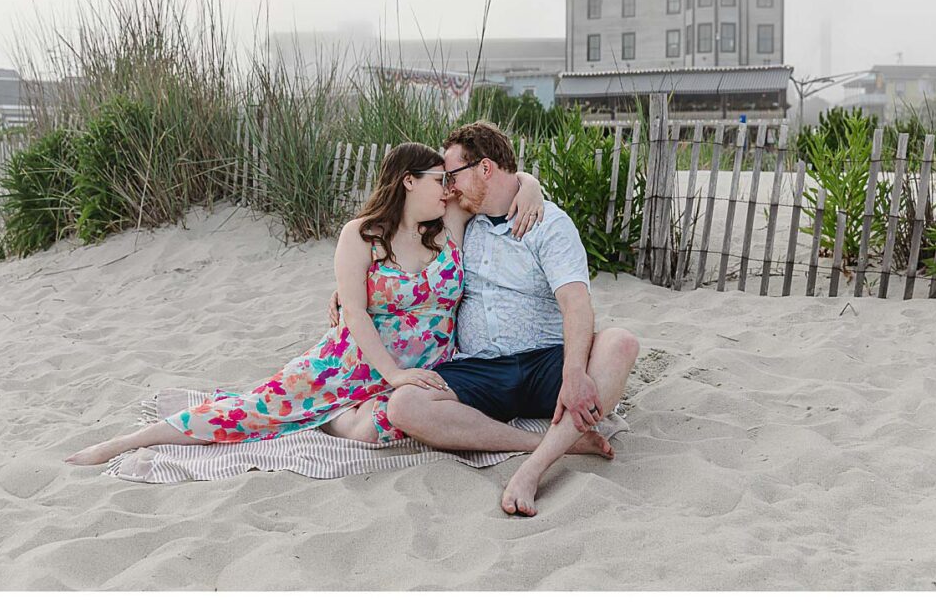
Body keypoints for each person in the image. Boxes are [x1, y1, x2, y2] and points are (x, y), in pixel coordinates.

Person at [65, 142, 564, 466]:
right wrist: (392, 374)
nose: (448, 188)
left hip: (430, 370)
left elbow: (500, 182)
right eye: (438, 179)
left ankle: (335, 420)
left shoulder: (449, 224)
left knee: (380, 429)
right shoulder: (361, 236)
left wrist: (533, 187)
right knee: (249, 413)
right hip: (354, 363)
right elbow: (357, 314)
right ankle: (133, 441)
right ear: (409, 181)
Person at [362, 122, 639, 517]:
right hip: (480, 368)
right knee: (404, 404)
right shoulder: (459, 218)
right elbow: (400, 238)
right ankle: (554, 442)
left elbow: (576, 303)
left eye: (454, 175)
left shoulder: (548, 223)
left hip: (546, 360)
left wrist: (574, 372)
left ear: (485, 169)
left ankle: (534, 467)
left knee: (620, 343)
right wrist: (356, 286)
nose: (449, 187)